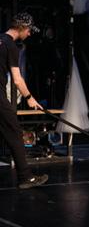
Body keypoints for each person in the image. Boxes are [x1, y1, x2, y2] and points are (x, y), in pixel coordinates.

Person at [0, 12, 48, 189]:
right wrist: (29, 98)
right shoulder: (11, 46)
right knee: (14, 134)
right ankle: (26, 177)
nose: (29, 33)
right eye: (28, 30)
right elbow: (17, 79)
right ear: (21, 27)